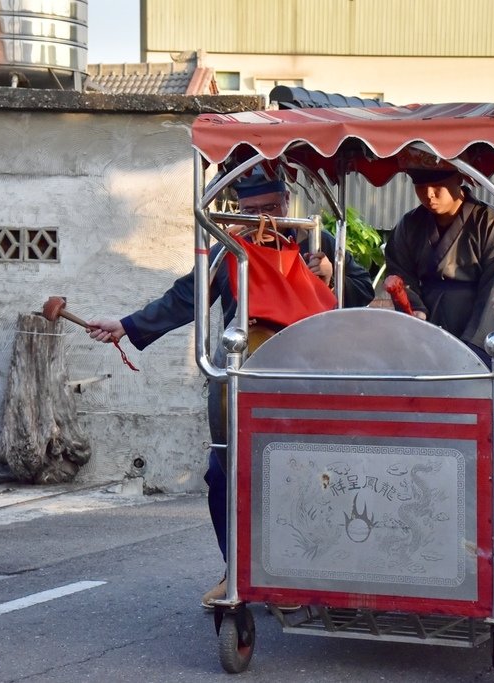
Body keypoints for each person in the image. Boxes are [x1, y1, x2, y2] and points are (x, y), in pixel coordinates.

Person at [86, 169, 375, 607]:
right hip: (242, 378)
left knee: (313, 476)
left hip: (310, 379)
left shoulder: (319, 242)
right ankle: (236, 572)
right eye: (250, 211)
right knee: (224, 473)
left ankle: (308, 571)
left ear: (286, 203)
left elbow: (364, 293)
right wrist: (126, 326)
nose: (261, 219)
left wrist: (333, 275)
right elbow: (186, 297)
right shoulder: (228, 252)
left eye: (270, 209)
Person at [385, 167, 494, 363]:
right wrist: (415, 308)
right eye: (421, 187)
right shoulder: (410, 224)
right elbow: (400, 272)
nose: (429, 195)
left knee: (475, 373)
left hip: (479, 321)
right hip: (429, 318)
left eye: (437, 186)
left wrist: (474, 345)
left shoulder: (489, 221)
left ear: (459, 178)